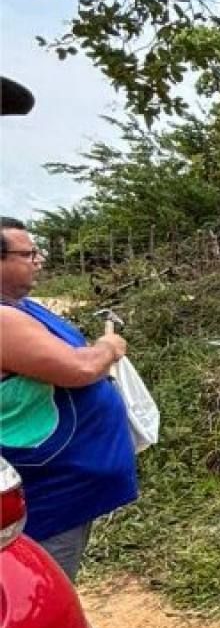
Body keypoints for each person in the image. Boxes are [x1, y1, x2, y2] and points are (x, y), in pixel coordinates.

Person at [0, 219, 139, 579]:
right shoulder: (2, 321)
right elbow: (78, 368)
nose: (38, 260)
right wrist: (108, 347)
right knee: (44, 586)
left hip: (65, 481)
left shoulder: (18, 307)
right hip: (50, 492)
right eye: (28, 253)